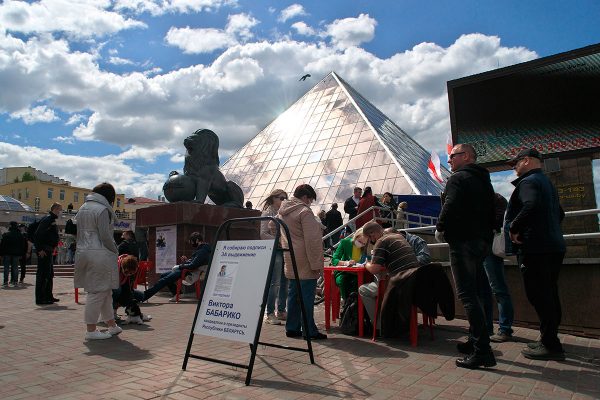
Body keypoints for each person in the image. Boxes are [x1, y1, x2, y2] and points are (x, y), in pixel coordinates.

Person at [436, 143, 496, 369]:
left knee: (468, 296)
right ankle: (475, 340)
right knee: (479, 293)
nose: (449, 160)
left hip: (462, 242)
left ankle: (483, 351)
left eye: (452, 156)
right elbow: (492, 212)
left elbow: (450, 205)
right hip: (481, 243)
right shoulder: (484, 181)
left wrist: (440, 227)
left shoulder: (458, 178)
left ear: (467, 157)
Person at [505, 148, 566, 361]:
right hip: (553, 245)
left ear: (527, 161)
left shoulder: (528, 182)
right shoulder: (546, 182)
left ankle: (550, 344)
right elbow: (560, 213)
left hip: (536, 249)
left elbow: (530, 205)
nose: (514, 168)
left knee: (539, 295)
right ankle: (549, 338)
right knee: (549, 294)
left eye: (515, 164)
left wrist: (514, 227)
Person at [278, 184, 327, 340]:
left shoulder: (282, 211)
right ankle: (309, 330)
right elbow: (312, 241)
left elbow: (273, 228)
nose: (310, 203)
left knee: (293, 294)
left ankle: (292, 328)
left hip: (290, 258)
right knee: (306, 296)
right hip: (305, 259)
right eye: (310, 200)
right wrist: (318, 265)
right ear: (306, 197)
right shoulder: (304, 212)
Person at [73, 184, 122, 340]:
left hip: (84, 252)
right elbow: (105, 235)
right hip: (100, 254)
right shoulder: (102, 209)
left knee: (105, 291)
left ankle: (112, 325)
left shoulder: (83, 207)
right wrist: (115, 250)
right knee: (97, 292)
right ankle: (91, 329)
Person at [358, 221, 420, 330]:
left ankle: (380, 326)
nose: (371, 241)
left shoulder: (381, 241)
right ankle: (394, 322)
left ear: (372, 234)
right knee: (382, 284)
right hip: (414, 280)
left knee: (363, 289)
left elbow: (374, 269)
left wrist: (366, 264)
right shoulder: (398, 236)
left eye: (370, 238)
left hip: (401, 283)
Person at [482, 193, 515, 343]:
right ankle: (490, 327)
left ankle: (505, 329)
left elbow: (498, 222)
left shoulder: (495, 199)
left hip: (490, 249)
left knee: (498, 289)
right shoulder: (494, 198)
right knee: (487, 290)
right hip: (485, 249)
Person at [142, 232, 210, 302]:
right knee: (163, 275)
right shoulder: (201, 249)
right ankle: (178, 293)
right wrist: (186, 261)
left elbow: (193, 265)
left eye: (192, 242)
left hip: (190, 273)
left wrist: (180, 266)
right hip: (188, 270)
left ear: (197, 240)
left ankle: (145, 295)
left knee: (165, 280)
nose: (192, 244)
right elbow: (195, 262)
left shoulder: (202, 251)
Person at [259, 189, 289, 325]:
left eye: (285, 198)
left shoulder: (284, 213)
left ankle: (281, 311)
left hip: (284, 249)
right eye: (281, 198)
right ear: (273, 199)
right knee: (275, 282)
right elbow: (263, 234)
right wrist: (279, 240)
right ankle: (270, 313)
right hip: (275, 250)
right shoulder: (267, 213)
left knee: (285, 281)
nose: (284, 201)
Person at [34, 202, 62, 305]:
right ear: (55, 209)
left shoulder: (52, 220)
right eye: (60, 209)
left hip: (49, 250)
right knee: (42, 275)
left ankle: (48, 296)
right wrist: (39, 249)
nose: (60, 212)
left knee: (49, 275)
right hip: (44, 251)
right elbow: (37, 235)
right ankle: (40, 298)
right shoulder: (48, 219)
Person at [331, 227, 369, 300]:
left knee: (360, 283)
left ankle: (355, 306)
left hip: (358, 274)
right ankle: (346, 303)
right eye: (360, 241)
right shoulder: (345, 243)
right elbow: (334, 260)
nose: (361, 244)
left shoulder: (365, 248)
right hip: (343, 273)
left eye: (364, 243)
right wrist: (346, 263)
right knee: (344, 281)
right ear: (355, 237)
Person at [1, 221, 26, 287]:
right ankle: (15, 282)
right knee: (15, 268)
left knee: (6, 268)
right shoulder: (20, 235)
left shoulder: (6, 234)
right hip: (16, 254)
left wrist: (1, 254)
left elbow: (2, 245)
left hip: (7, 253)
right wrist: (22, 254)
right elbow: (22, 245)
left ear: (10, 226)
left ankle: (5, 282)